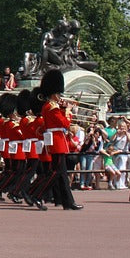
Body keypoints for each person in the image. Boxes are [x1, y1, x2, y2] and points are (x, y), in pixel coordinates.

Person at [33, 69, 82, 210]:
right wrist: (67, 112)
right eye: (59, 93)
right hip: (57, 141)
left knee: (60, 174)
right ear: (54, 93)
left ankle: (68, 202)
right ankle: (38, 195)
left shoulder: (50, 106)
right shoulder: (52, 107)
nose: (60, 96)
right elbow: (65, 123)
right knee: (56, 173)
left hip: (56, 140)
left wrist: (63, 110)